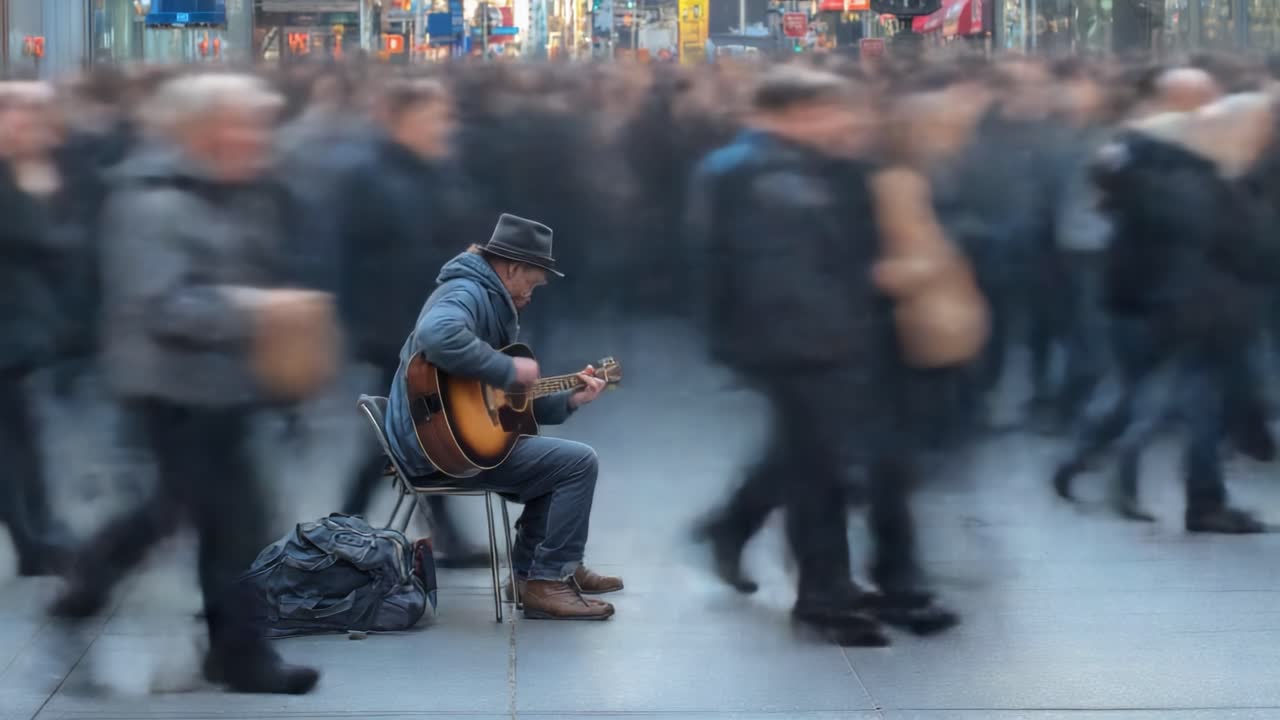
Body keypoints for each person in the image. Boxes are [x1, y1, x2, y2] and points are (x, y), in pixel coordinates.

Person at [48, 73, 321, 694]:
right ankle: (92, 591)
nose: (258, 138)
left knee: (220, 519)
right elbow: (161, 303)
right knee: (199, 516)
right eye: (243, 124)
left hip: (225, 383)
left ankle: (235, 653)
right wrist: (257, 311)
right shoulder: (151, 201)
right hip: (170, 387)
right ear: (202, 130)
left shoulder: (235, 191)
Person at [383, 213, 622, 621]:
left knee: (558, 461)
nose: (534, 292)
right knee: (577, 463)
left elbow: (506, 407)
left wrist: (570, 399)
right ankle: (547, 580)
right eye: (534, 280)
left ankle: (534, 572)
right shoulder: (466, 292)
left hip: (444, 440)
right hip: (435, 449)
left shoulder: (487, 299)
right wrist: (508, 369)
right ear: (512, 268)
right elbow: (436, 335)